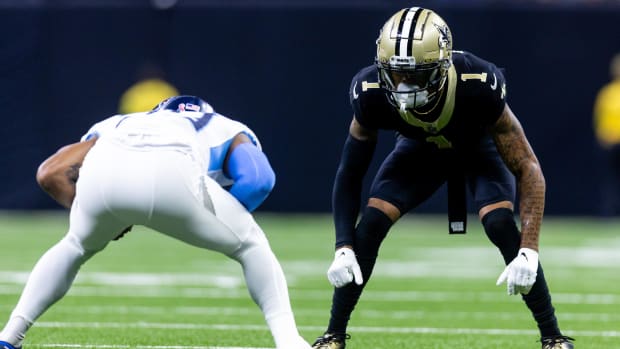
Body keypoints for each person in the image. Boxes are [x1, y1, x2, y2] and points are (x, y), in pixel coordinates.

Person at [311, 7, 574, 349]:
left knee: (499, 225)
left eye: (416, 76)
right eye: (395, 74)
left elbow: (528, 166)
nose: (403, 87)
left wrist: (530, 250)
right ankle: (333, 335)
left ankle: (552, 336)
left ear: (442, 66)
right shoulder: (371, 90)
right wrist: (343, 245)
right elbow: (350, 172)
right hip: (419, 151)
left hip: (479, 149)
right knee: (370, 224)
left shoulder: (477, 82)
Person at [0, 95, 312, 349]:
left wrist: (97, 215)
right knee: (252, 246)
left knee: (74, 245)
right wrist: (226, 219)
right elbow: (259, 181)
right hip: (174, 172)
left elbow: (50, 173)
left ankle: (9, 336)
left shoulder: (120, 122)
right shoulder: (225, 126)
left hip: (104, 171)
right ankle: (289, 342)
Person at [593, 53, 620, 216]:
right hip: (611, 145)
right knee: (610, 181)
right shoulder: (607, 93)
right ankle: (609, 213)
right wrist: (602, 137)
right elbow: (599, 119)